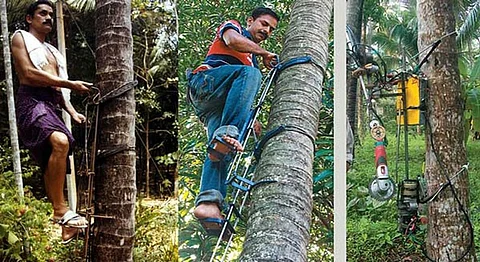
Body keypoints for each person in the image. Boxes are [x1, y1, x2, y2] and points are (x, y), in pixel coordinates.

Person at [186, 7, 279, 232]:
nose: (266, 30)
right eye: (264, 24)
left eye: (271, 29)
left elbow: (239, 96)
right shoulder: (234, 27)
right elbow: (232, 40)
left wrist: (251, 121)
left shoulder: (250, 62)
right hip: (206, 83)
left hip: (216, 107)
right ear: (251, 21)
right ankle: (227, 133)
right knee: (249, 75)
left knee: (220, 151)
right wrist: (264, 53)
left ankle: (208, 204)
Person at [11, 0, 91, 244]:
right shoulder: (20, 37)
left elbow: (57, 88)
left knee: (54, 155)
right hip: (31, 100)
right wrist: (71, 85)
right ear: (29, 18)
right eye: (42, 13)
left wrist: (72, 110)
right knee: (60, 141)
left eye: (50, 14)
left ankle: (65, 222)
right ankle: (60, 209)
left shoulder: (54, 52)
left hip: (52, 104)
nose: (47, 18)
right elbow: (28, 74)